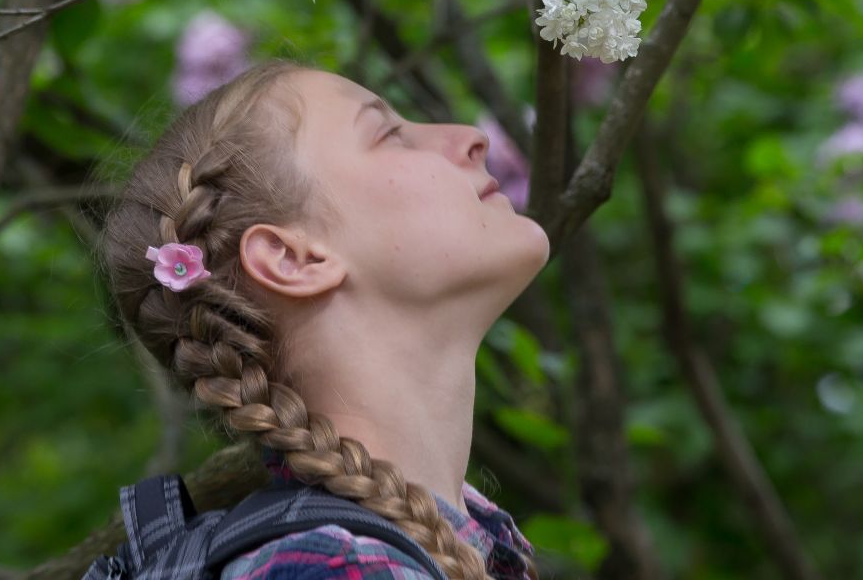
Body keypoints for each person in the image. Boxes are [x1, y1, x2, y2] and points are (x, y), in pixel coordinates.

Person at [96, 56, 552, 579]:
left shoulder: (430, 550)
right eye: (390, 134)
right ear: (293, 259)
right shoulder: (330, 567)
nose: (472, 137)